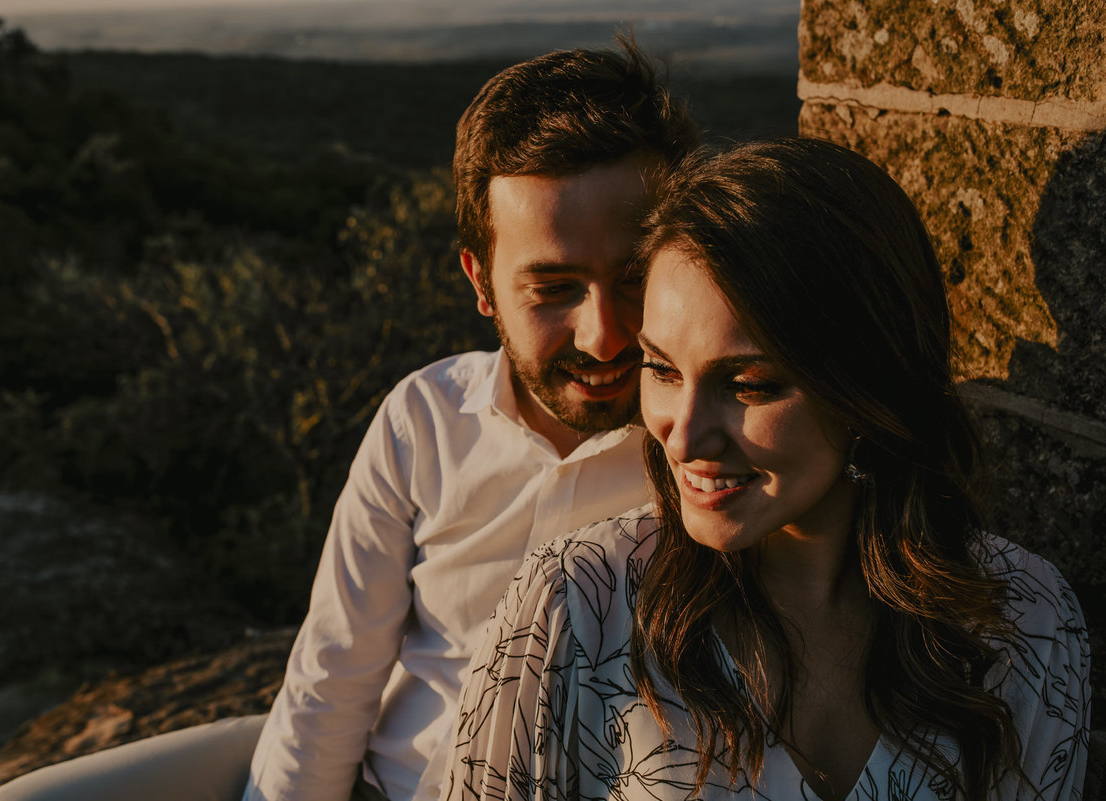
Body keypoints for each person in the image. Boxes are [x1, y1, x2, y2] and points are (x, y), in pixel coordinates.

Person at [0, 39, 698, 801]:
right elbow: (334, 671)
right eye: (552, 288)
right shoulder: (424, 420)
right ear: (481, 283)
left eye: (633, 277)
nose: (604, 334)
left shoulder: (707, 450)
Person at [444, 138, 1091, 801]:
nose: (684, 433)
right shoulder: (575, 611)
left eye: (748, 384)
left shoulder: (1024, 624)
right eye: (662, 368)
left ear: (868, 388)